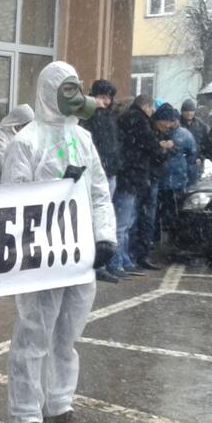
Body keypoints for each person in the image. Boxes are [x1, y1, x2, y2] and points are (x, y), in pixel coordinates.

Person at [1, 61, 116, 423]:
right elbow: (12, 203)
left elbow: (98, 190)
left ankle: (60, 404)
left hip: (80, 254)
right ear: (49, 90)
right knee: (34, 336)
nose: (74, 96)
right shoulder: (26, 141)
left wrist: (104, 237)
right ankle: (25, 416)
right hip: (43, 257)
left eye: (76, 88)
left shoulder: (83, 138)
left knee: (67, 337)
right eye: (66, 89)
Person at [111, 95, 170, 278]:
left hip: (129, 176)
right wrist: (163, 148)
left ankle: (124, 260)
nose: (152, 113)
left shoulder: (126, 120)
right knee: (123, 223)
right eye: (151, 109)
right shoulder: (139, 121)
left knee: (127, 222)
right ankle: (117, 263)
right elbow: (153, 149)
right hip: (131, 177)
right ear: (146, 106)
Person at [80, 80, 122, 284]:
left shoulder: (109, 118)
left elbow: (113, 144)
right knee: (94, 219)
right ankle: (96, 263)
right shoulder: (87, 118)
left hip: (109, 172)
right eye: (102, 97)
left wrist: (114, 164)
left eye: (108, 98)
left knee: (105, 218)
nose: (105, 101)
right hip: (96, 174)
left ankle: (103, 262)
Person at [131, 102, 179, 270]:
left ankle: (142, 254)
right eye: (165, 120)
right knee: (137, 218)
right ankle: (134, 254)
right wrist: (161, 147)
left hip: (153, 179)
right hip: (143, 178)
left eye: (170, 121)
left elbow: (170, 151)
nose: (167, 124)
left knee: (148, 219)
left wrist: (163, 148)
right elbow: (152, 152)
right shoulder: (149, 131)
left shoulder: (165, 134)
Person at [155, 106, 198, 259]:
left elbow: (192, 157)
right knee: (162, 213)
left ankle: (172, 244)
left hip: (176, 182)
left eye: (172, 121)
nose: (170, 124)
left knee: (173, 214)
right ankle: (163, 244)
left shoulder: (183, 135)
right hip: (164, 180)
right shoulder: (161, 133)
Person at [0, 103, 34, 182]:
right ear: (18, 124)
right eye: (27, 126)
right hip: (1, 187)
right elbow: (5, 165)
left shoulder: (23, 138)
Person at [179, 98, 209, 173]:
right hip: (180, 163)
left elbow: (206, 144)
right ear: (182, 112)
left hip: (197, 163)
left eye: (191, 111)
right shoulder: (177, 125)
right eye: (186, 111)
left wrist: (201, 158)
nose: (189, 113)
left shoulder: (201, 126)